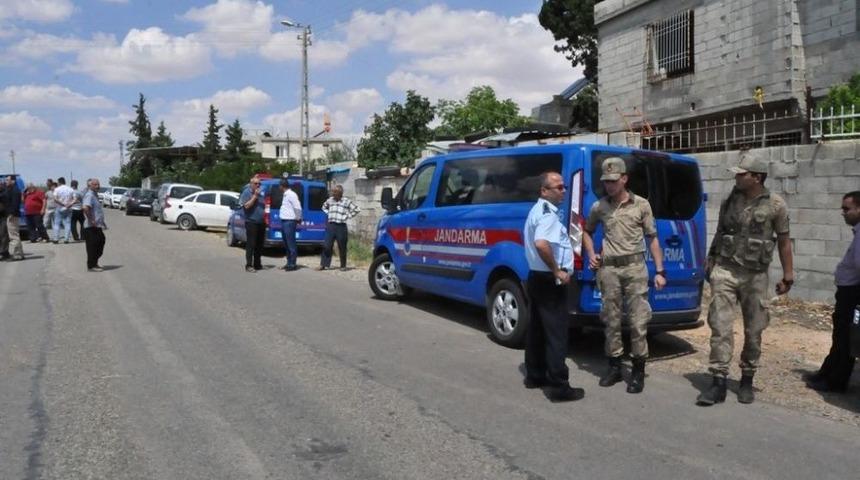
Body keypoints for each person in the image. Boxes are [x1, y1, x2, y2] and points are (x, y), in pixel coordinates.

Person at [696, 151, 794, 406]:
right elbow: (720, 231)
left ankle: (747, 380)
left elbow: (783, 241)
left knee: (754, 330)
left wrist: (788, 275)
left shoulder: (776, 204)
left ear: (757, 177)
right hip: (726, 270)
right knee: (720, 326)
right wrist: (711, 258)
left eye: (742, 174)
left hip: (755, 276)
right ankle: (717, 381)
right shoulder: (731, 200)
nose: (737, 178)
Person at [582, 157, 666, 394]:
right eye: (606, 181)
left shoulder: (641, 205)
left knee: (639, 321)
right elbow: (586, 232)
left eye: (613, 180)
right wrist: (591, 254)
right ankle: (615, 366)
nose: (609, 185)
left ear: (624, 179)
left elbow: (653, 238)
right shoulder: (599, 207)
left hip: (635, 268)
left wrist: (660, 271)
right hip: (609, 269)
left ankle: (638, 370)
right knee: (611, 319)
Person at [522, 171, 585, 402]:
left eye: (564, 187)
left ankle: (535, 375)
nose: (564, 191)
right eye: (558, 187)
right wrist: (557, 270)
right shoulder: (547, 214)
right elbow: (541, 243)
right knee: (556, 333)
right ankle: (559, 386)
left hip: (537, 277)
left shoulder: (538, 210)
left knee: (537, 330)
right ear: (544, 191)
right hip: (549, 280)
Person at [806, 191, 860, 393]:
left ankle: (836, 382)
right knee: (839, 336)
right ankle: (827, 372)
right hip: (848, 292)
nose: (843, 213)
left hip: (852, 293)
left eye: (847, 209)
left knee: (845, 339)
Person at [318, 185, 360, 271]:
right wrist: (328, 213)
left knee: (342, 246)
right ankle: (324, 264)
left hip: (341, 226)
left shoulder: (346, 201)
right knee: (327, 245)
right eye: (333, 192)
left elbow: (356, 209)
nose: (333, 193)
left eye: (335, 192)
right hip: (331, 226)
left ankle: (343, 266)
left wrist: (347, 216)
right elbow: (323, 207)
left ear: (340, 193)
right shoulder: (330, 200)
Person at [238, 176, 265, 272]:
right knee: (251, 244)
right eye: (256, 183)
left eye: (259, 184)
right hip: (251, 222)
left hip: (261, 222)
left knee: (259, 244)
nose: (258, 185)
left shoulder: (261, 194)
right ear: (251, 184)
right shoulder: (247, 193)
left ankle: (257, 264)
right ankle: (249, 265)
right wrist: (255, 196)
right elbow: (246, 206)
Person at [82, 178, 107, 271]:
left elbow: (97, 211)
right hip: (91, 226)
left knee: (101, 241)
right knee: (92, 246)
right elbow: (85, 208)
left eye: (98, 184)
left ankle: (95, 263)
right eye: (95, 185)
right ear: (90, 186)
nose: (98, 186)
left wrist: (102, 222)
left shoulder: (95, 195)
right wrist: (91, 220)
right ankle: (91, 266)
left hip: (97, 225)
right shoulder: (89, 195)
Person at [279, 179, 302, 271]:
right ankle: (288, 262)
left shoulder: (291, 194)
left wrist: (298, 218)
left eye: (279, 186)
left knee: (291, 243)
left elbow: (297, 207)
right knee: (286, 243)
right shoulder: (285, 195)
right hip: (284, 221)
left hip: (290, 221)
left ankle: (293, 264)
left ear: (282, 186)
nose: (279, 187)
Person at [4, 175, 24, 261]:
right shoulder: (10, 190)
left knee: (14, 236)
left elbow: (15, 204)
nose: (6, 181)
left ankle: (18, 255)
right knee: (14, 235)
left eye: (8, 180)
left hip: (13, 215)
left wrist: (11, 214)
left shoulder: (15, 191)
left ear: (13, 181)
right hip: (12, 215)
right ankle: (20, 253)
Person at [52, 176, 75, 244]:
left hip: (59, 207)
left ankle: (56, 239)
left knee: (57, 224)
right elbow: (75, 199)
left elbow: (55, 199)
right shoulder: (70, 189)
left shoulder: (57, 189)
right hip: (68, 208)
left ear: (59, 182)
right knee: (68, 223)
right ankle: (66, 239)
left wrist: (63, 204)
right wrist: (70, 204)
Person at [0, 180, 8, 261]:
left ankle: (4, 252)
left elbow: (4, 197)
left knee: (3, 234)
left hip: (3, 216)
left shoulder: (4, 192)